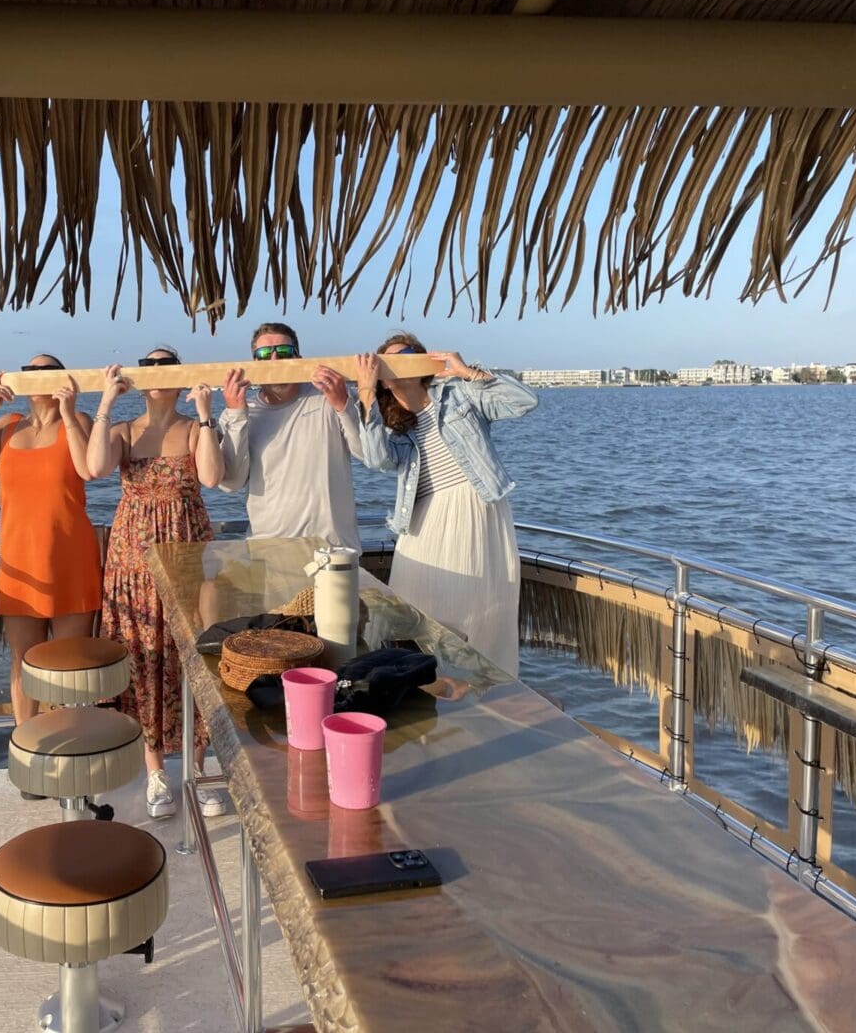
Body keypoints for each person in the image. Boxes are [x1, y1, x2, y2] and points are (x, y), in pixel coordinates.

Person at [87, 347, 231, 819]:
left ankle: (197, 767)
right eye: (147, 367)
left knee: (192, 656)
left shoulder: (193, 428)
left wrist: (208, 414)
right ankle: (154, 772)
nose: (156, 375)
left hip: (188, 555)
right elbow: (95, 467)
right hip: (133, 559)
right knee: (145, 656)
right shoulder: (126, 431)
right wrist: (106, 403)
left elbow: (212, 477)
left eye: (165, 365)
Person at [354, 333, 537, 676]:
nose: (401, 362)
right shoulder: (391, 422)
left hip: (476, 509)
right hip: (423, 520)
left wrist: (467, 371)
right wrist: (366, 392)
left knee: (478, 609)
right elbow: (376, 458)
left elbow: (524, 401)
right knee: (413, 608)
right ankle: (421, 686)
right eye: (390, 360)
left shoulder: (457, 394)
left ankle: (481, 693)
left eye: (408, 354)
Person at [0, 354, 102, 746]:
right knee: (24, 662)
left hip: (70, 558)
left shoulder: (79, 422)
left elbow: (88, 466)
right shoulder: (8, 427)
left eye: (47, 370)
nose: (38, 377)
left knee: (70, 665)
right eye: (31, 370)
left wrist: (68, 411)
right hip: (19, 559)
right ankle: (28, 749)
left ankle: (71, 746)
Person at [219, 322, 363, 550]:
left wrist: (342, 403)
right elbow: (232, 482)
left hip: (333, 549)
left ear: (299, 358)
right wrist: (236, 414)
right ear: (253, 363)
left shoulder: (329, 397)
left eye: (284, 352)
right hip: (268, 548)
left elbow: (365, 452)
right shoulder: (239, 411)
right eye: (264, 354)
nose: (275, 361)